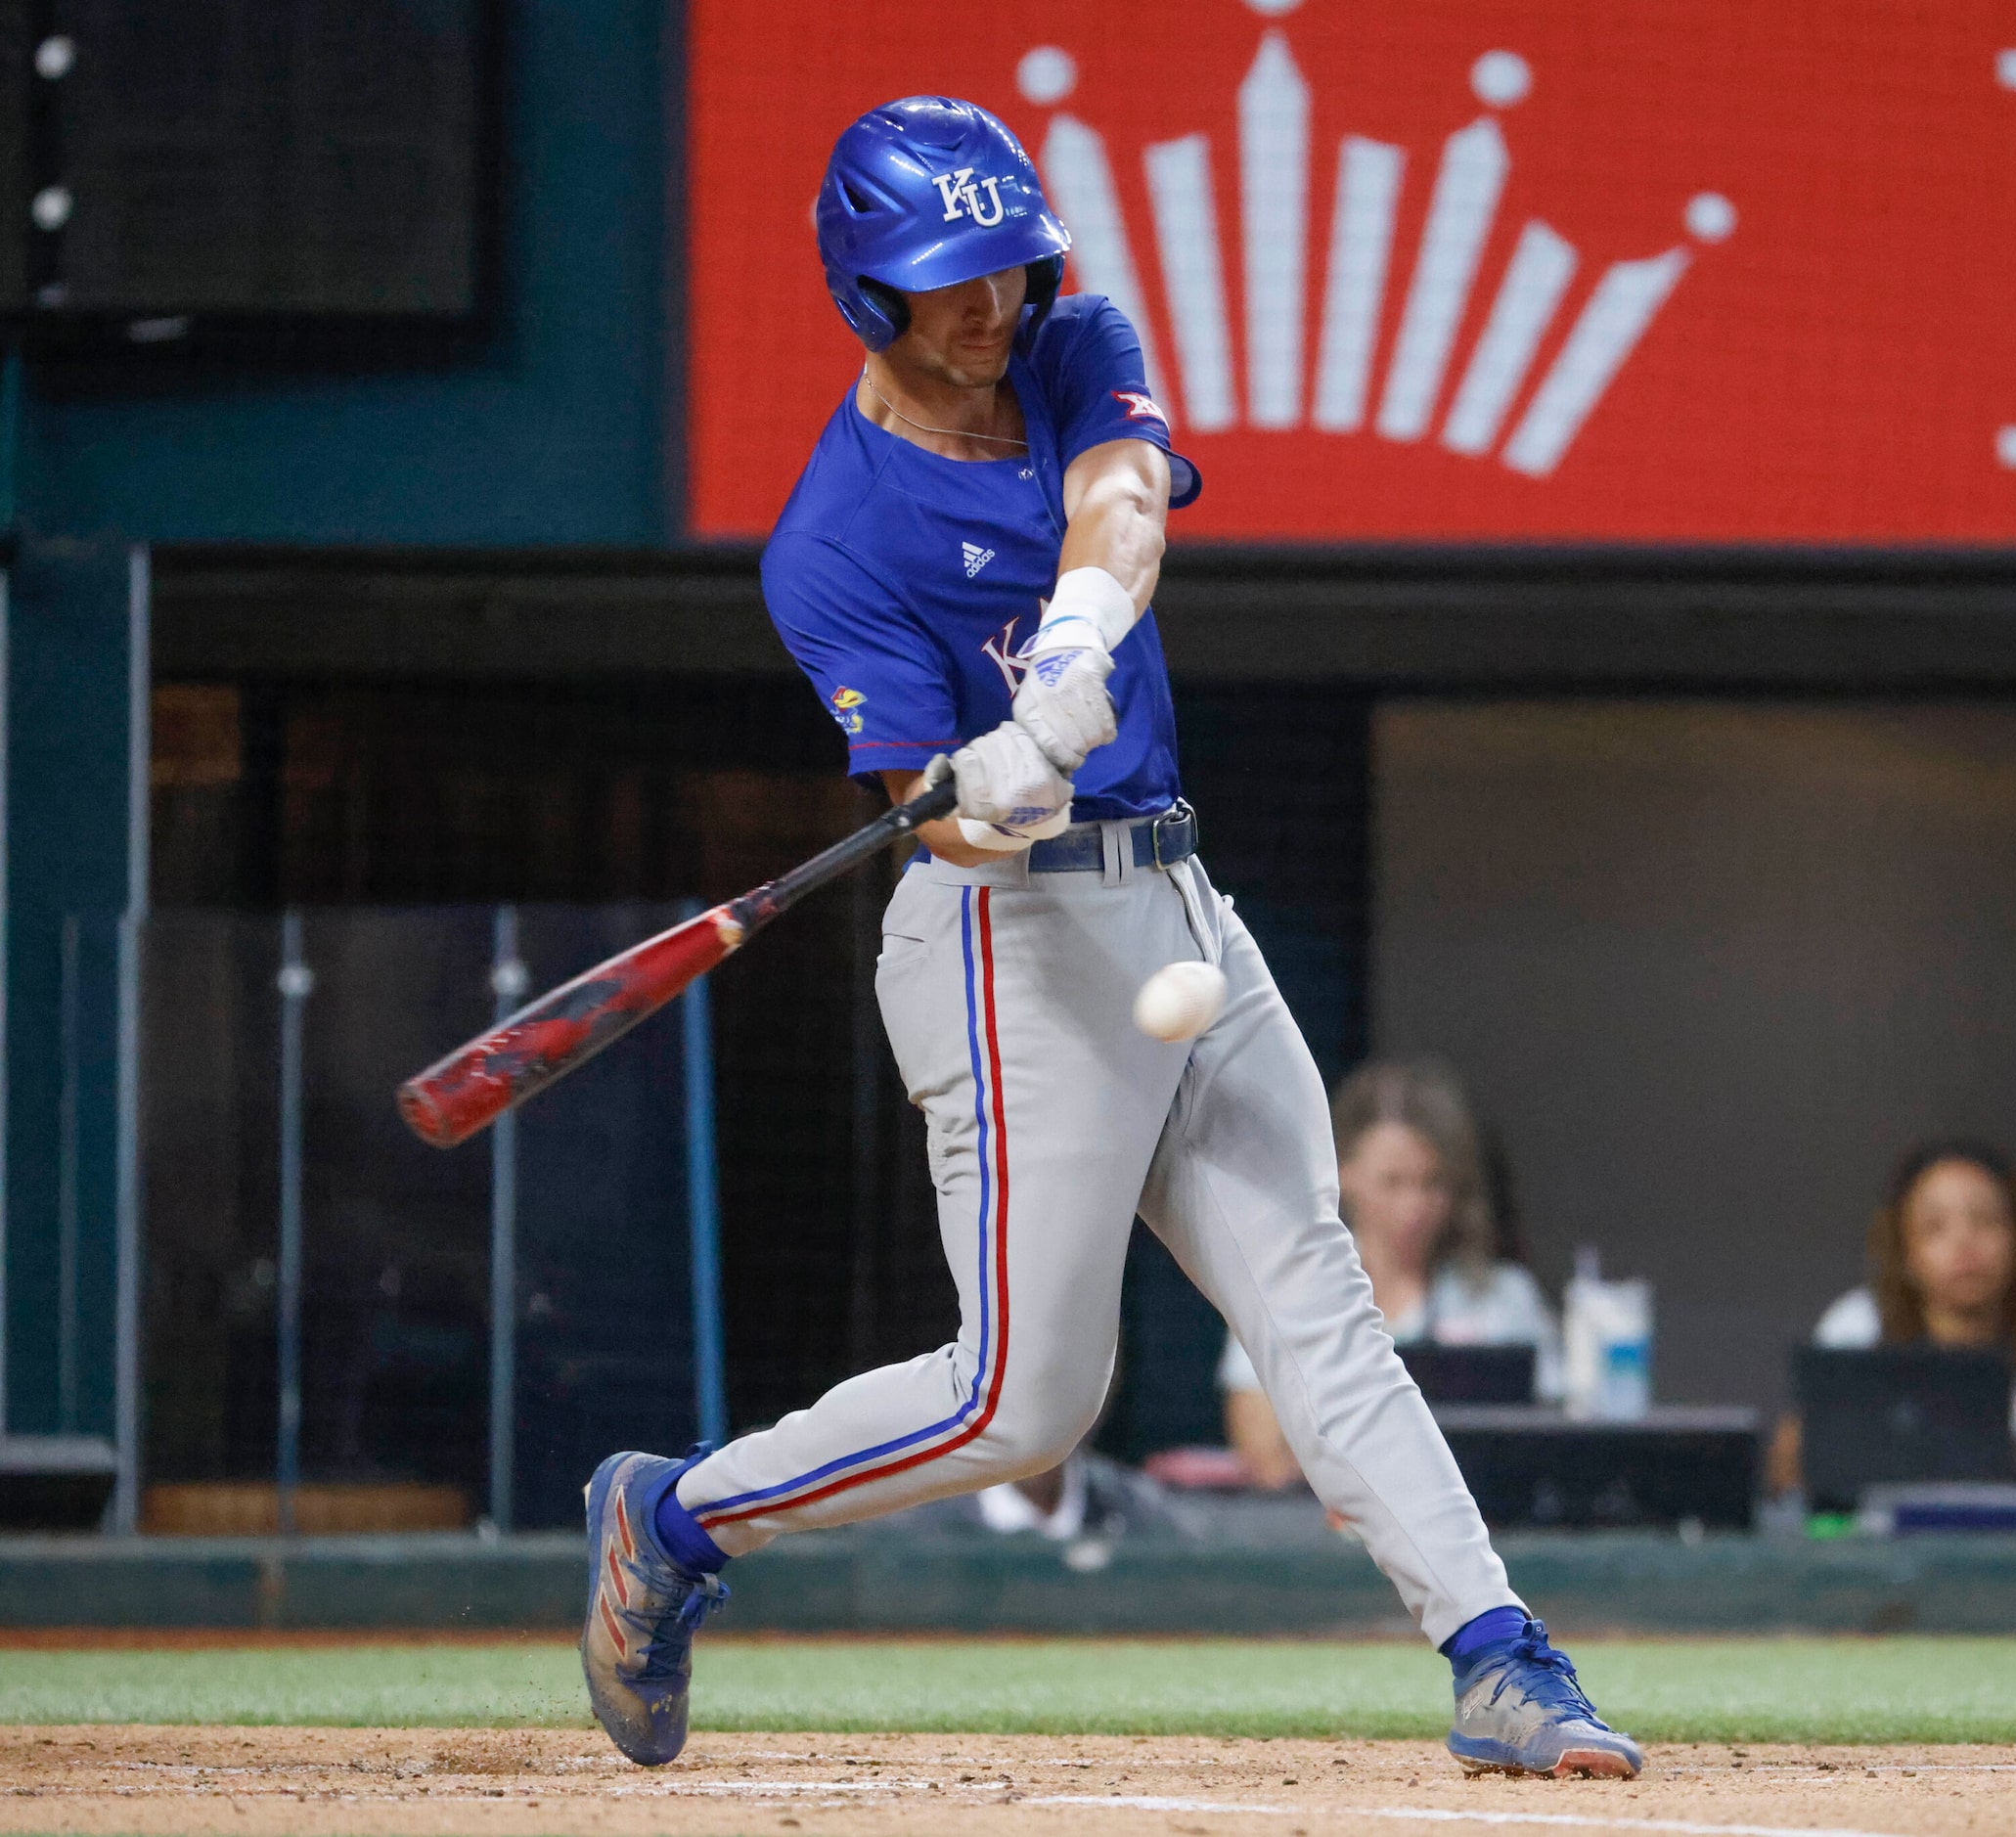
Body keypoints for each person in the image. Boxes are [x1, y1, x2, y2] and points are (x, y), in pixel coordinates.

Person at [569, 98, 1636, 1782]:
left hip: (1173, 897)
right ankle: (677, 1516)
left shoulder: (1074, 344)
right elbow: (949, 819)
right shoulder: (829, 540)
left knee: (1315, 1294)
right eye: (951, 282)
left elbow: (1122, 504)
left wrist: (1069, 653)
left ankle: (1499, 1654)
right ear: (870, 291)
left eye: (1007, 264)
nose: (992, 305)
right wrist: (987, 783)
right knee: (1023, 1399)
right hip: (1006, 934)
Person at [1221, 1060, 1562, 1489]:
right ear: (1343, 1174)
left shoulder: (1505, 1297)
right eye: (1393, 1182)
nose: (1414, 1207)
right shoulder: (1288, 1290)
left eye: (1432, 1184)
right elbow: (1262, 1455)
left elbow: (1550, 1441)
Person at [1773, 1142, 2016, 1491]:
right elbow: (1790, 1461)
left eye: (1986, 1220)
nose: (1964, 1242)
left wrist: (2003, 1460)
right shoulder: (1860, 1321)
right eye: (1934, 1227)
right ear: (1904, 1251)